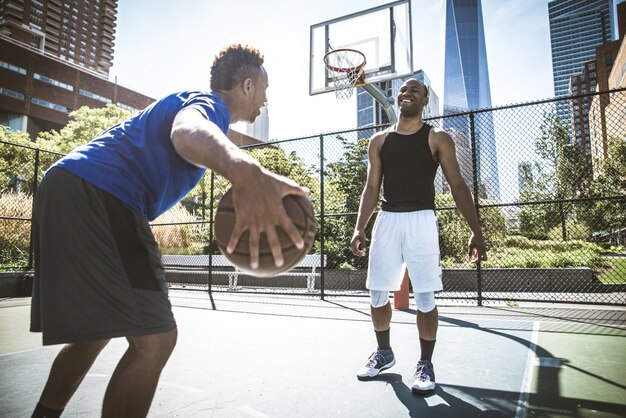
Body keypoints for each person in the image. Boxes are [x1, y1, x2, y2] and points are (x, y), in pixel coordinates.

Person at [30, 44, 308, 418]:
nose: (264, 98)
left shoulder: (199, 108)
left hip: (65, 185)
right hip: (103, 192)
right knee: (155, 338)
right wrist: (247, 172)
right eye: (264, 88)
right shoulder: (209, 105)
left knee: (94, 331)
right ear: (246, 86)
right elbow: (186, 132)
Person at [350, 78, 487, 395]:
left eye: (415, 90)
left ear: (426, 100)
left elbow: (457, 185)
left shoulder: (437, 137)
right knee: (376, 295)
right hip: (387, 220)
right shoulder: (379, 141)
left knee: (424, 297)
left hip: (422, 220)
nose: (406, 93)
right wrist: (359, 227)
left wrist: (475, 231)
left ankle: (425, 364)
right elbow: (371, 188)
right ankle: (384, 353)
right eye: (402, 90)